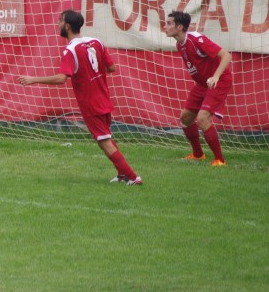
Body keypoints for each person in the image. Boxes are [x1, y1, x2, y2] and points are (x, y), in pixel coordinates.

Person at [18, 10, 142, 185]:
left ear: (67, 26)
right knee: (105, 138)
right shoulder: (96, 42)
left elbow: (62, 78)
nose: (58, 24)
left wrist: (33, 80)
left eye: (60, 21)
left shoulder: (70, 50)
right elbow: (111, 67)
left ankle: (132, 176)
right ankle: (122, 174)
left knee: (104, 140)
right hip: (104, 97)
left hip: (91, 102)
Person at [163, 10, 230, 166]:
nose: (165, 26)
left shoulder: (196, 39)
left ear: (179, 27)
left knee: (202, 118)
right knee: (186, 117)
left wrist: (216, 76)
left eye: (169, 23)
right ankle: (198, 154)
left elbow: (226, 55)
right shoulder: (180, 44)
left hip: (218, 81)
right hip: (202, 85)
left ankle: (220, 160)